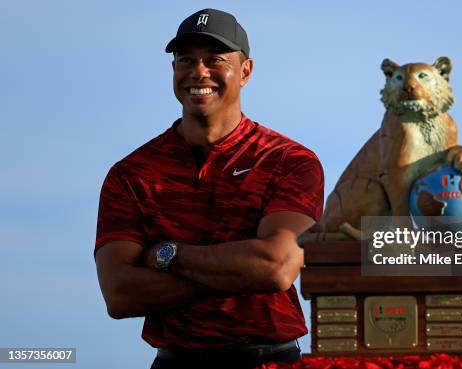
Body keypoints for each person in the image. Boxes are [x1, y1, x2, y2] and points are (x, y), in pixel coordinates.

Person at [94, 8, 324, 369]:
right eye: (186, 60)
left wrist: (167, 256)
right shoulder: (132, 173)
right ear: (174, 71)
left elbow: (276, 267)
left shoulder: (289, 161)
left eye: (215, 59)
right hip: (175, 362)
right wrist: (241, 272)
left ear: (246, 71)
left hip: (270, 359)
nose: (199, 72)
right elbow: (120, 294)